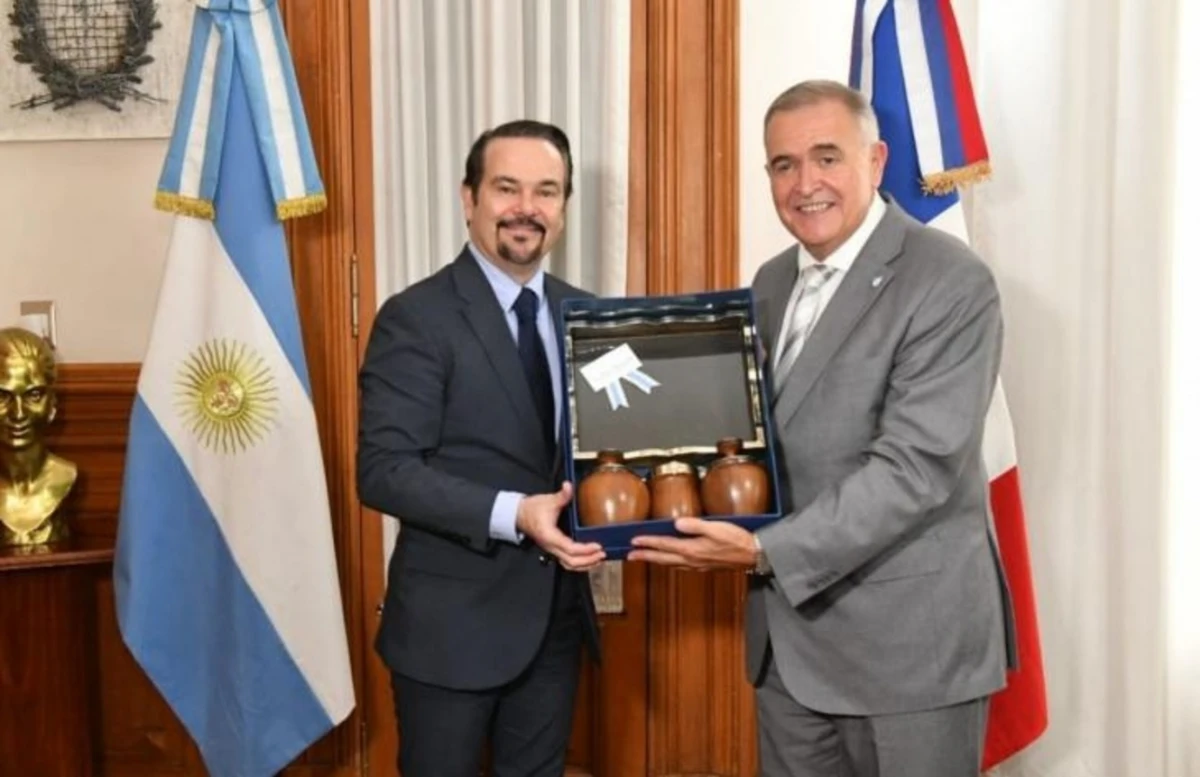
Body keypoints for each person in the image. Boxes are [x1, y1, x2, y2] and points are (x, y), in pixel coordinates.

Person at [629, 80, 1014, 776]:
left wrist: (761, 550)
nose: (805, 183)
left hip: (908, 655)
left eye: (827, 157)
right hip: (789, 652)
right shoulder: (772, 281)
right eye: (783, 164)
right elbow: (742, 437)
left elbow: (915, 469)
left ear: (875, 160)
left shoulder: (949, 281)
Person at [357, 119, 606, 777]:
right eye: (507, 187)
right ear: (469, 199)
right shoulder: (416, 318)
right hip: (449, 632)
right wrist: (515, 512)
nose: (527, 207)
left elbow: (613, 449)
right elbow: (383, 472)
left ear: (563, 208)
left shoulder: (590, 316)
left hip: (554, 624)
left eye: (547, 191)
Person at [0, 327, 76, 547]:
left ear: (53, 403)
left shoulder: (67, 476)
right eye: (2, 396)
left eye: (34, 395)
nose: (19, 413)